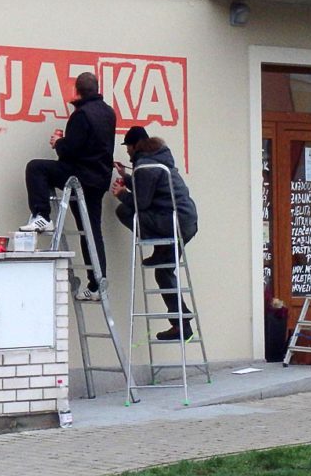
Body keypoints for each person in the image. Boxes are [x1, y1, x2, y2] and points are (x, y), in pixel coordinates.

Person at [20, 72, 116, 301]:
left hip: (79, 177)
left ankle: (41, 215)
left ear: (78, 90)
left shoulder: (82, 115)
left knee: (35, 168)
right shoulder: (108, 113)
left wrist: (58, 142)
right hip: (98, 180)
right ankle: (97, 285)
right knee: (92, 232)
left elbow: (70, 151)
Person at [112, 126, 199, 341]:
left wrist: (122, 194)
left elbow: (142, 202)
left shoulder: (145, 165)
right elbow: (152, 190)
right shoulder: (158, 158)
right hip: (185, 220)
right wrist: (129, 177)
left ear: (133, 146)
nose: (128, 153)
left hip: (171, 222)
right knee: (163, 273)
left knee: (124, 211)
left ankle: (159, 246)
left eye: (128, 148)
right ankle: (182, 325)